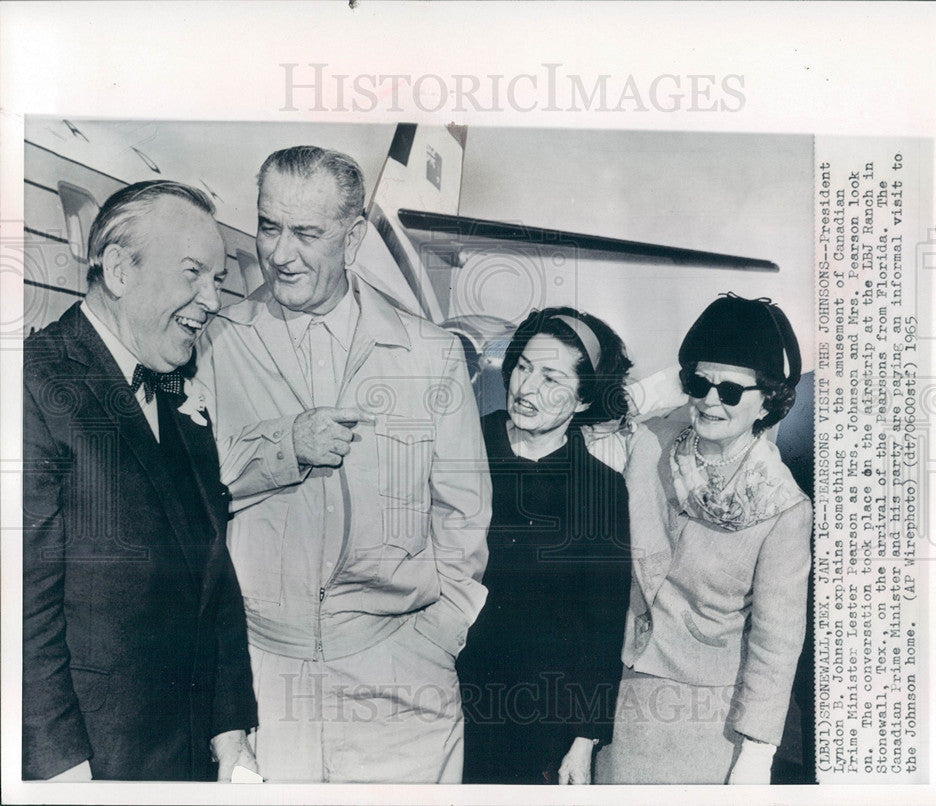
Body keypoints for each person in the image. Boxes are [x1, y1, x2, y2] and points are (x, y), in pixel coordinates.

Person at [188, 146, 491, 783]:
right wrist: (284, 447)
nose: (279, 253)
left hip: (401, 685)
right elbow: (190, 500)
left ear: (353, 237)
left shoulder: (430, 355)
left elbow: (463, 518)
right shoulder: (214, 344)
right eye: (269, 227)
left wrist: (438, 637)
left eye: (306, 233)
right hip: (262, 684)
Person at [22, 181, 258, 781]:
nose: (211, 299)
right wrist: (59, 768)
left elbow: (212, 572)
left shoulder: (177, 388)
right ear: (122, 269)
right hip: (92, 764)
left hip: (187, 761)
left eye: (220, 279)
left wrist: (231, 732)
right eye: (192, 274)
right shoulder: (31, 386)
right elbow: (22, 612)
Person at [596, 293, 812, 785]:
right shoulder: (650, 442)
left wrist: (756, 753)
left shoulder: (784, 506)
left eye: (732, 391)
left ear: (769, 401)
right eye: (698, 383)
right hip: (619, 700)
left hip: (709, 723)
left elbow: (776, 644)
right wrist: (668, 385)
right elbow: (596, 417)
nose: (712, 400)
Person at [459, 307, 633, 785]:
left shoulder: (600, 490)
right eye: (523, 367)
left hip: (538, 725)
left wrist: (583, 740)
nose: (526, 388)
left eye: (551, 377)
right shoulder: (462, 445)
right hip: (440, 697)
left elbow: (601, 627)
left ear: (582, 401)